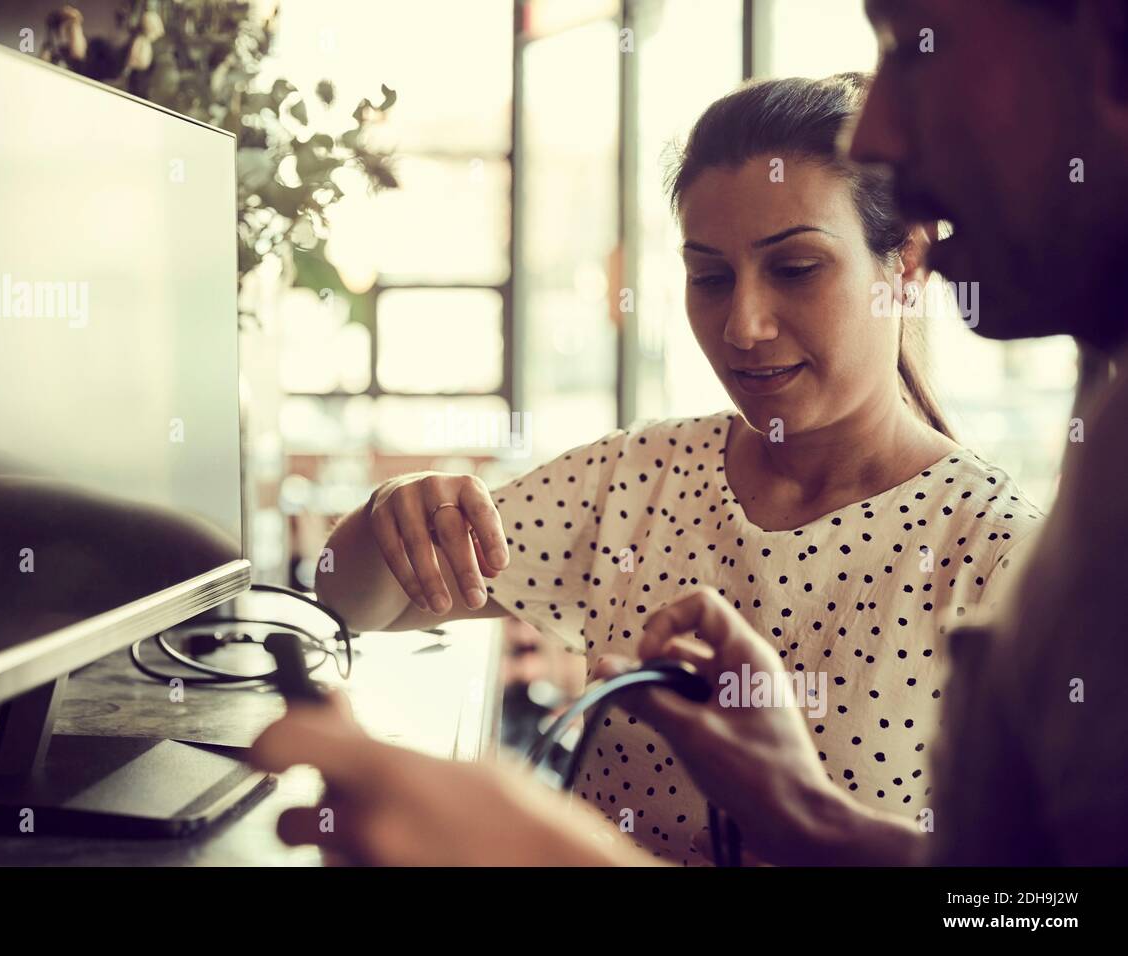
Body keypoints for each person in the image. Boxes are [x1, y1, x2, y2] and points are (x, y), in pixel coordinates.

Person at [251, 0, 1128, 865]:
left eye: (795, 268)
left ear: (901, 264)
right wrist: (389, 518)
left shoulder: (995, 545)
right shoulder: (644, 474)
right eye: (709, 278)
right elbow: (348, 599)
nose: (744, 325)